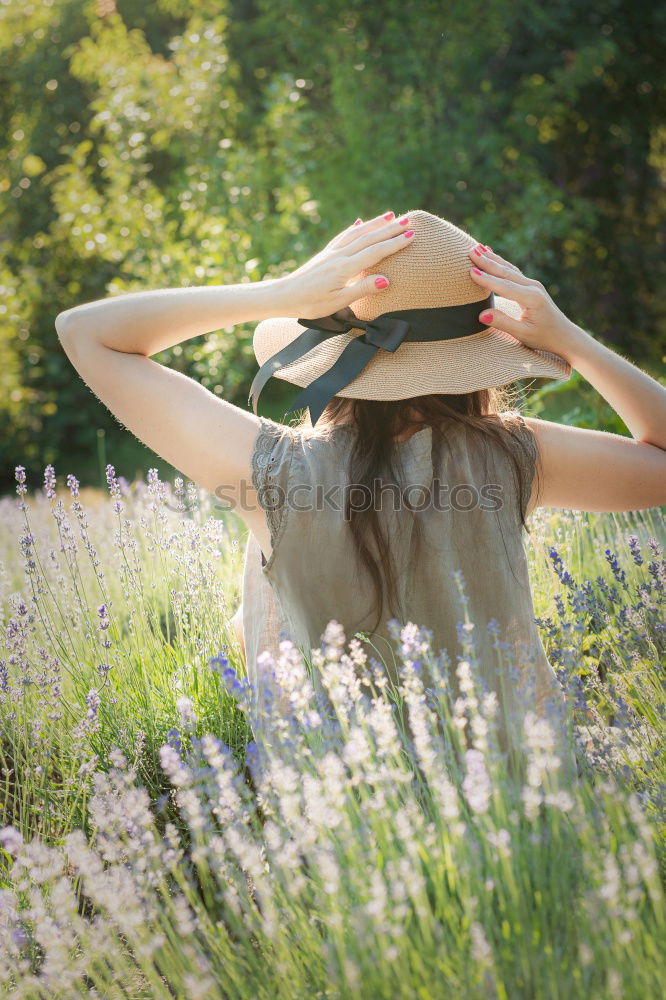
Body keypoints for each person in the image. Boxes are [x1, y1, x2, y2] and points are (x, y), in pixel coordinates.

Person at [55, 209, 666, 776]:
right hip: (518, 813)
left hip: (345, 833)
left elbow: (86, 332)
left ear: (328, 345)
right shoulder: (514, 456)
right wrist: (570, 339)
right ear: (479, 355)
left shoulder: (272, 469)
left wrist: (278, 293)